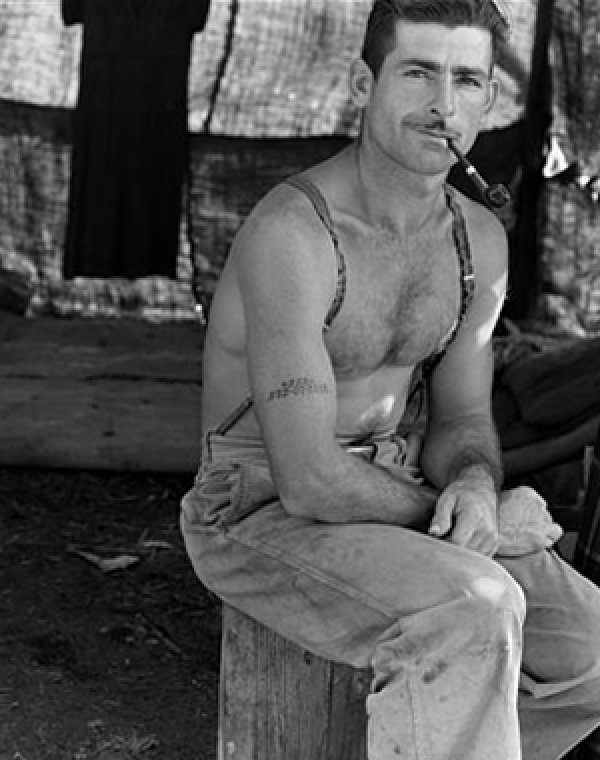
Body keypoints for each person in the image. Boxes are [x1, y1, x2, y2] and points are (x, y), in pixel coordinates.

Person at [181, 1, 600, 758]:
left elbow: (465, 418)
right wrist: (474, 518)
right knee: (475, 608)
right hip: (258, 509)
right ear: (361, 83)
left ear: (489, 101)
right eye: (419, 72)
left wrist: (474, 484)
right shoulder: (294, 235)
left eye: (468, 79)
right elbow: (307, 481)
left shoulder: (476, 239)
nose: (444, 103)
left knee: (590, 646)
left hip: (398, 487)